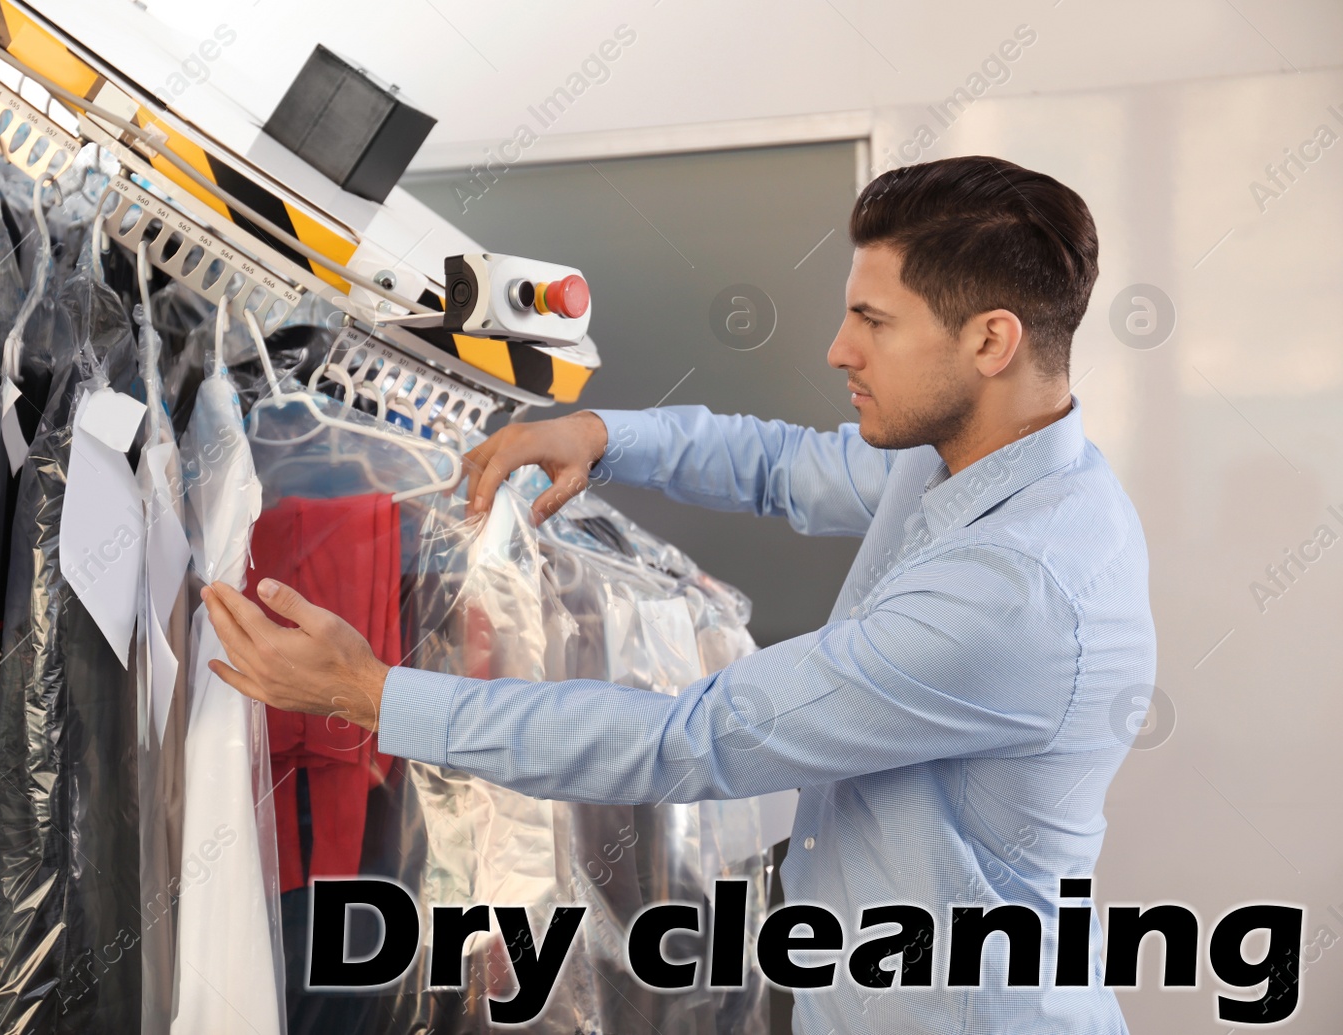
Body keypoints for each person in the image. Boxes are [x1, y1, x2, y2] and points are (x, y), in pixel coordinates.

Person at [200, 155, 1153, 1033]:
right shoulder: (984, 456)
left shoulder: (1014, 595)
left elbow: (687, 740)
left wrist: (371, 696)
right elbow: (786, 467)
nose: (837, 350)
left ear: (992, 340)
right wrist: (604, 435)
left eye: (873, 321)